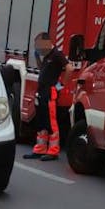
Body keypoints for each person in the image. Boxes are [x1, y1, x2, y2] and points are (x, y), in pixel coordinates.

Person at [25, 31, 69, 161]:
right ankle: (40, 149)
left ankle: (53, 151)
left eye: (39, 45)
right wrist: (38, 58)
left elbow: (69, 68)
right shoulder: (47, 56)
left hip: (50, 92)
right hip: (42, 91)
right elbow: (42, 70)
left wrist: (60, 85)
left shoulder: (57, 54)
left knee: (51, 123)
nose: (38, 48)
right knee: (41, 121)